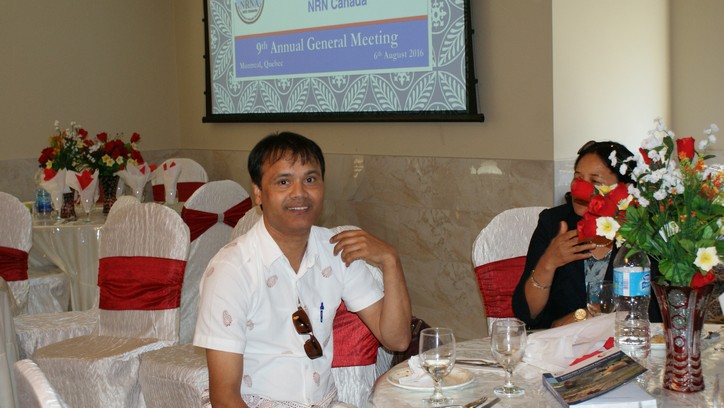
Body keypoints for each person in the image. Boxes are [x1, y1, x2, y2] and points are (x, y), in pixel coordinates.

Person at [193, 131, 412, 407]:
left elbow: (397, 339)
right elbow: (224, 398)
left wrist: (391, 261)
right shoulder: (231, 269)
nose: (299, 193)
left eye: (310, 180)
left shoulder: (336, 250)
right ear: (258, 193)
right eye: (283, 182)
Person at [512, 140, 661, 329]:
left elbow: (656, 310)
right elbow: (527, 314)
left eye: (595, 181)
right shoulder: (554, 223)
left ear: (624, 189)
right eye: (578, 178)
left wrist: (589, 315)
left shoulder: (646, 230)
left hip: (628, 339)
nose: (580, 189)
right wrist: (548, 262)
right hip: (564, 343)